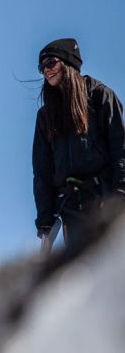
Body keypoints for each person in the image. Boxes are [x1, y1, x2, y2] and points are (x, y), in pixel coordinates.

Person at [32, 38, 125, 251]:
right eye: (42, 67)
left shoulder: (101, 97)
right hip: (69, 207)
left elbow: (121, 149)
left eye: (50, 63)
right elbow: (42, 169)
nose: (46, 70)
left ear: (68, 62)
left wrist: (120, 196)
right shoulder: (46, 116)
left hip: (102, 199)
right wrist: (45, 219)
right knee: (81, 266)